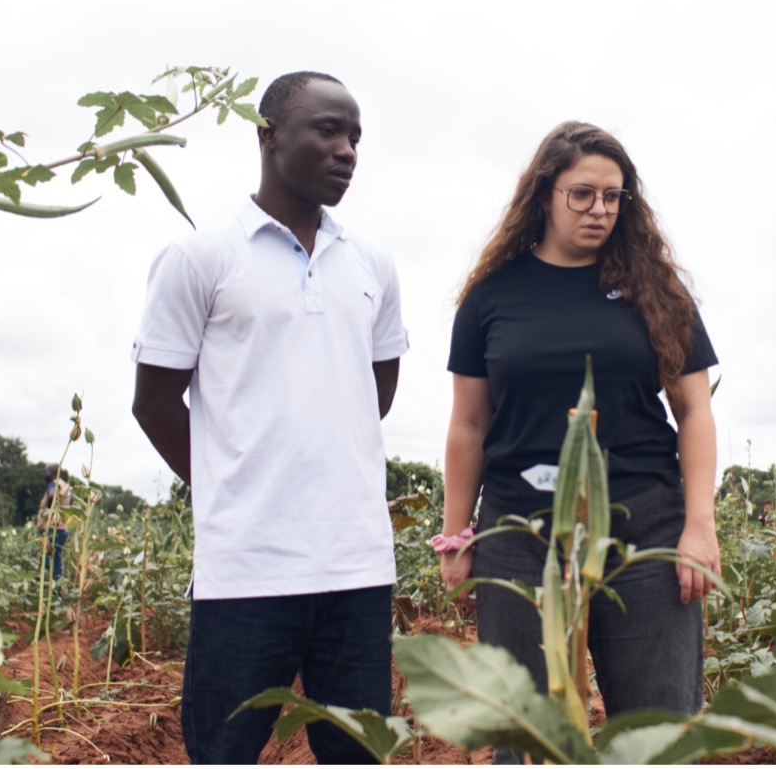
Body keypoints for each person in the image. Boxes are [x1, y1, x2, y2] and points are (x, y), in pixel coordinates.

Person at [131, 71, 408, 765]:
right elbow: (153, 400)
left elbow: (374, 388)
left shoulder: (373, 263)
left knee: (357, 755)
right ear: (269, 133)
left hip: (357, 568)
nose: (347, 149)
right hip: (245, 572)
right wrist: (228, 483)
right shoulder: (201, 258)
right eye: (327, 129)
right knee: (224, 752)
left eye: (355, 137)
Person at [437, 122, 721, 758]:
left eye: (614, 197)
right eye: (583, 194)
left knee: (657, 733)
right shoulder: (491, 298)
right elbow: (468, 424)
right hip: (520, 532)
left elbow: (694, 411)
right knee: (525, 729)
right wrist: (458, 534)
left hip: (643, 525)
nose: (600, 210)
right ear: (545, 194)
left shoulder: (656, 291)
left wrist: (697, 525)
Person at [37, 466, 71, 580]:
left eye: (47, 473)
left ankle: (54, 589)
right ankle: (56, 589)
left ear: (53, 474)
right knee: (56, 558)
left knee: (50, 559)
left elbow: (51, 494)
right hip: (63, 526)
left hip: (53, 526)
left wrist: (48, 513)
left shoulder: (54, 484)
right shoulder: (65, 486)